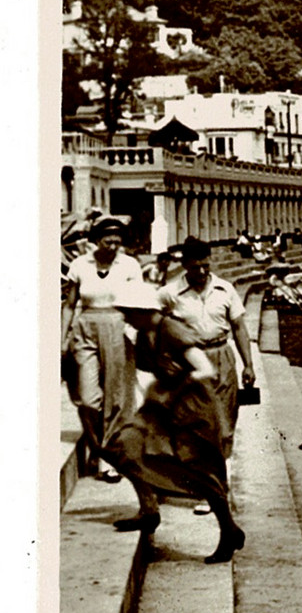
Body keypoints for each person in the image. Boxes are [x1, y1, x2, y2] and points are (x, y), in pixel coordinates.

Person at [102, 279, 244, 561]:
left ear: (142, 310)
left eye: (128, 312)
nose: (126, 318)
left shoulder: (172, 328)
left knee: (203, 471)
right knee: (123, 445)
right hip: (164, 405)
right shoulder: (144, 333)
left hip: (194, 408)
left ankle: (229, 531)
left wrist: (173, 390)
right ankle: (149, 510)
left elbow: (206, 369)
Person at [157, 238, 256, 473]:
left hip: (221, 355)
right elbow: (153, 324)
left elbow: (239, 327)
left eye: (205, 266)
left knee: (225, 419)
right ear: (185, 265)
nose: (201, 272)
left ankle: (220, 475)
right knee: (196, 422)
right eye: (195, 267)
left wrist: (248, 365)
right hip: (189, 361)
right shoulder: (169, 293)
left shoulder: (225, 289)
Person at [62, 216, 145, 481]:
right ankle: (97, 445)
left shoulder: (129, 265)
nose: (113, 247)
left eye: (117, 243)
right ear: (96, 241)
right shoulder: (79, 264)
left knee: (116, 397)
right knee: (88, 399)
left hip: (118, 327)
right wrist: (63, 338)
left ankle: (108, 458)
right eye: (108, 241)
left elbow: (138, 302)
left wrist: (135, 333)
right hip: (86, 327)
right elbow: (69, 304)